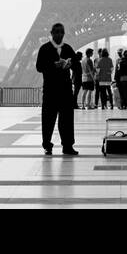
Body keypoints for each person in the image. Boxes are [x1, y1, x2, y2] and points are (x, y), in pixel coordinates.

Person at [35, 22, 79, 156]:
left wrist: (69, 64)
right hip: (51, 89)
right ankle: (47, 145)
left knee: (66, 119)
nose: (59, 34)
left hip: (65, 89)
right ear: (52, 33)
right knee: (48, 119)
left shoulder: (67, 49)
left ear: (64, 33)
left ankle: (67, 145)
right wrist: (54, 65)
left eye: (61, 32)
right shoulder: (45, 49)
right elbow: (39, 67)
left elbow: (77, 66)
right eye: (57, 32)